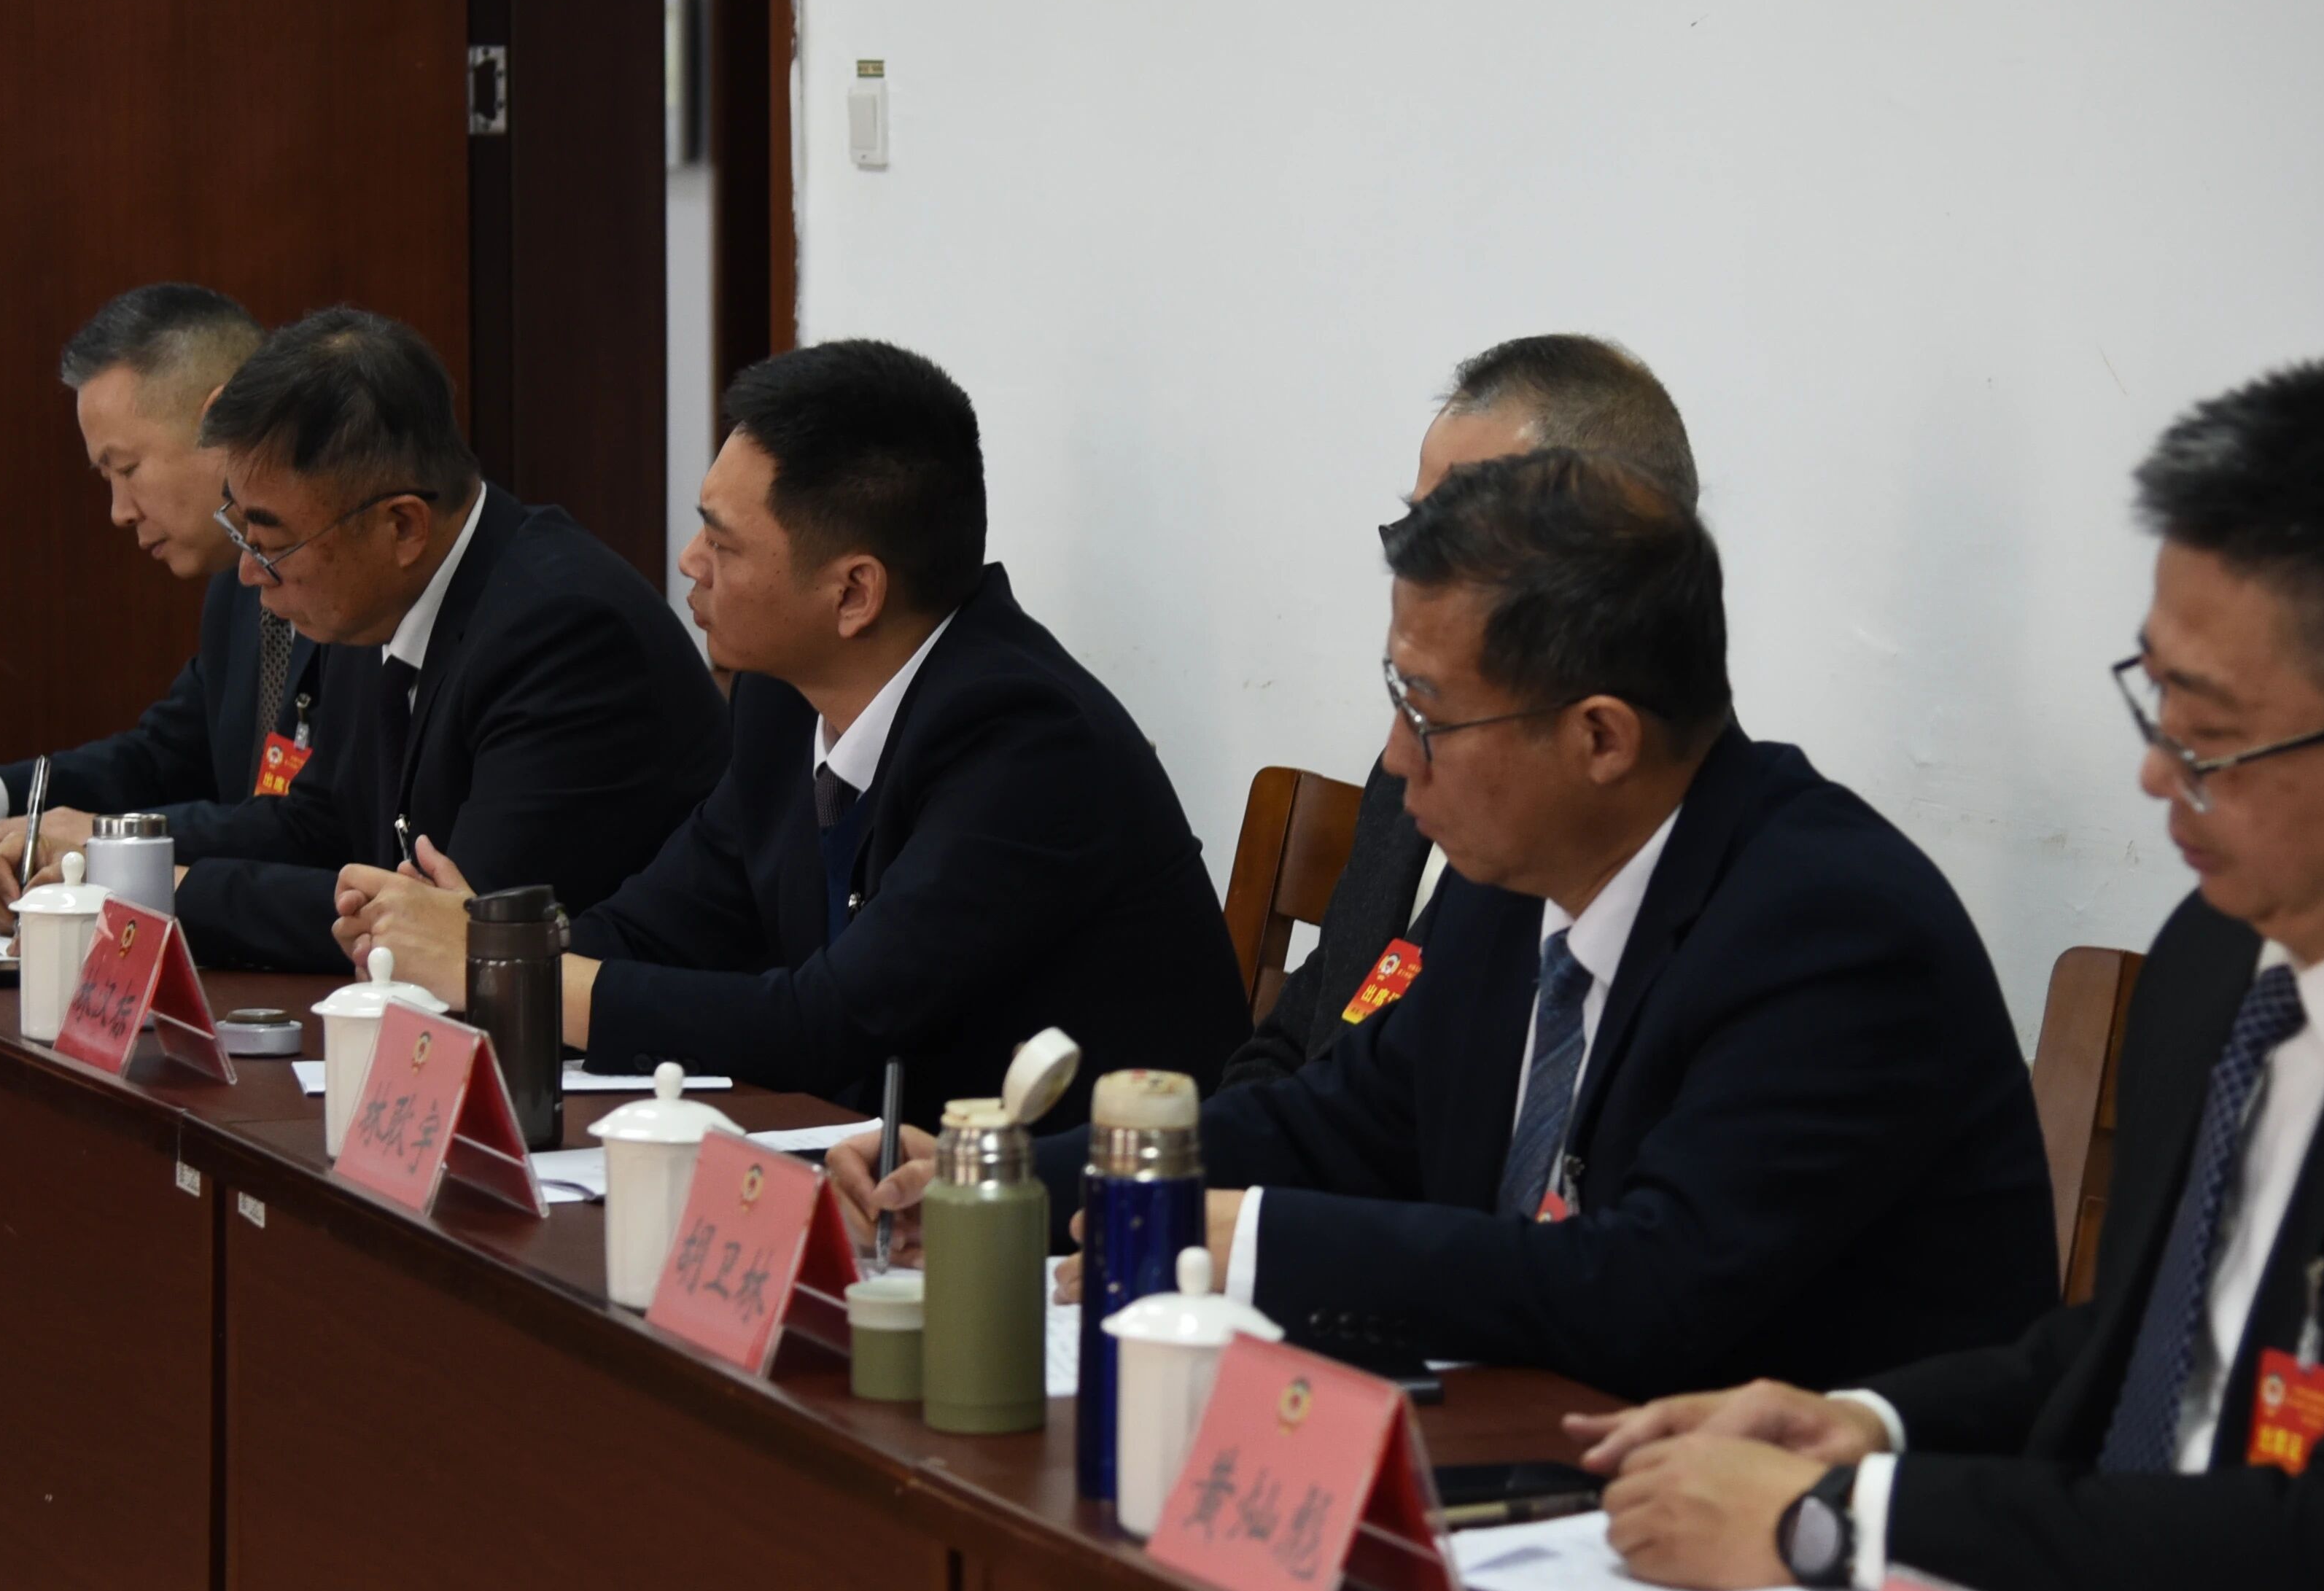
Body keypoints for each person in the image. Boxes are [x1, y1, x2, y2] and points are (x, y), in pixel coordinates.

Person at [1571, 362, 2324, 1591]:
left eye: (2213, 736)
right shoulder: (2217, 955)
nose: (2153, 773)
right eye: (2156, 694)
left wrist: (1839, 1520)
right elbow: (2146, 1349)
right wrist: (1870, 1422)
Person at [839, 450, 2059, 1401]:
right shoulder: (1505, 887)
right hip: (1542, 1456)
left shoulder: (1829, 932)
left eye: (1426, 712)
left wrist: (1246, 1239)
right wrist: (994, 1186)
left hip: (1808, 1550)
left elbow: (1641, 1290)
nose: (1392, 757)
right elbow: (1334, 1121)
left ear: (1600, 736)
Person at [335, 338, 1251, 1130]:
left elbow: (825, 1023)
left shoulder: (1026, 743)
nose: (690, 562)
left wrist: (504, 968)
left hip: (1077, 1216)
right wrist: (497, 938)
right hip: (869, 1168)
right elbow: (660, 926)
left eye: (723, 542)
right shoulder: (781, 701)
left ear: (854, 592)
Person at [136, 305, 728, 970]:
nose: (248, 573)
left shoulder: (564, 635)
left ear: (402, 528)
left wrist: (170, 892)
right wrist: (126, 856)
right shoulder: (374, 601)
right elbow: (318, 826)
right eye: (240, 530)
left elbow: (459, 924)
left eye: (271, 544)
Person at [1222, 334, 1698, 1088]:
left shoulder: (1654, 894)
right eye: (1413, 530)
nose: (1413, 578)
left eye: (1452, 545)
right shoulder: (1414, 772)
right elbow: (1300, 1047)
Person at [0, 284, 308, 894]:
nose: (119, 511)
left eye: (128, 468)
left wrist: (107, 840)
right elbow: (164, 760)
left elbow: (314, 828)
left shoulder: (349, 588)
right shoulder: (236, 585)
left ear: (223, 422)